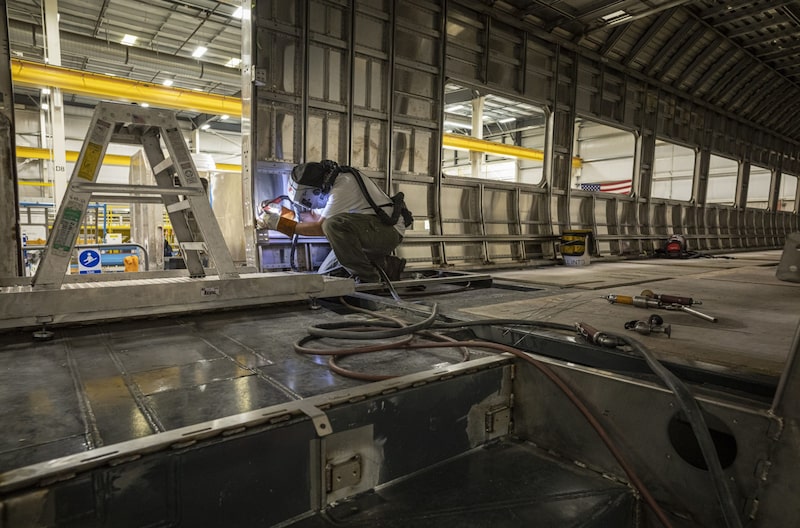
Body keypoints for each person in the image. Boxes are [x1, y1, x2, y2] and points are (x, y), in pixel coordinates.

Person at [257, 160, 411, 283]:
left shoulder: (343, 185)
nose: (306, 205)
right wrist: (281, 212)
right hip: (368, 232)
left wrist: (278, 224)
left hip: (388, 232)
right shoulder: (326, 187)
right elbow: (314, 218)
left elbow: (320, 228)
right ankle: (388, 266)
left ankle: (368, 279)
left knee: (333, 225)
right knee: (326, 275)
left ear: (313, 192)